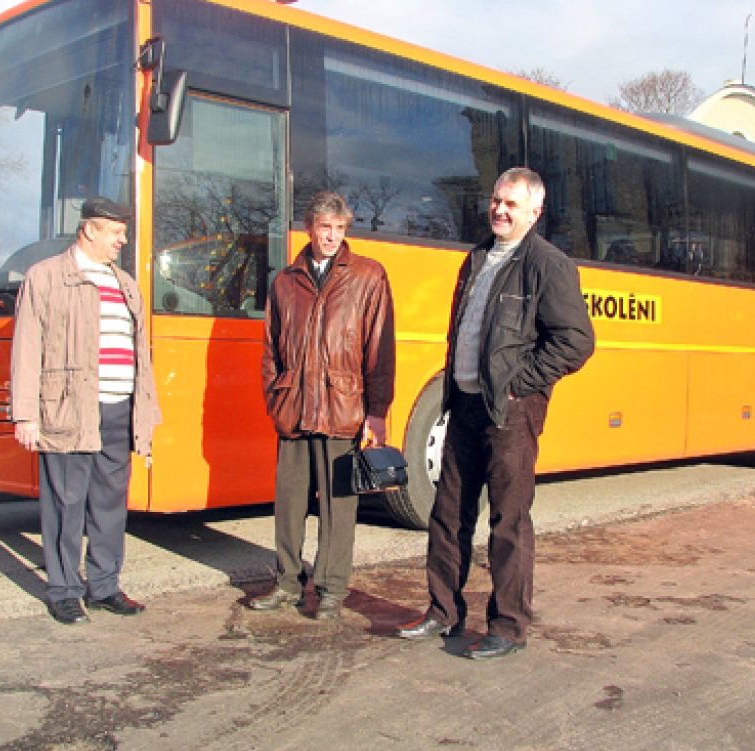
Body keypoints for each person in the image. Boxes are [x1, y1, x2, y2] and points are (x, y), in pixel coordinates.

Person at [396, 168, 595, 658]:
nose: (500, 210)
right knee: (448, 514)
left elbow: (576, 342)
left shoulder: (548, 265)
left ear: (535, 211)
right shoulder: (477, 258)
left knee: (508, 520)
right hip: (463, 405)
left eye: (511, 203)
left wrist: (515, 385)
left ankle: (508, 625)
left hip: (510, 412)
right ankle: (443, 612)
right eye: (496, 200)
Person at [10, 197, 162, 625]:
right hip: (68, 409)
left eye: (123, 233)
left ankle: (105, 587)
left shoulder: (125, 282)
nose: (122, 240)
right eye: (115, 232)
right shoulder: (45, 277)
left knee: (110, 503)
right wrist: (25, 414)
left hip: (119, 410)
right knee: (65, 502)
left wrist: (144, 414)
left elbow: (140, 356)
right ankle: (63, 590)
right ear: (90, 230)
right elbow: (26, 349)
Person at [255, 191, 395, 620]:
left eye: (339, 228)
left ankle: (332, 591)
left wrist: (377, 411)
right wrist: (275, 396)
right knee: (289, 505)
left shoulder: (368, 276)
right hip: (294, 408)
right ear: (309, 227)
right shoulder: (284, 281)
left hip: (343, 408)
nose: (331, 236)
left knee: (339, 507)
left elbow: (379, 348)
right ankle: (285, 583)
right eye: (324, 227)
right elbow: (269, 351)